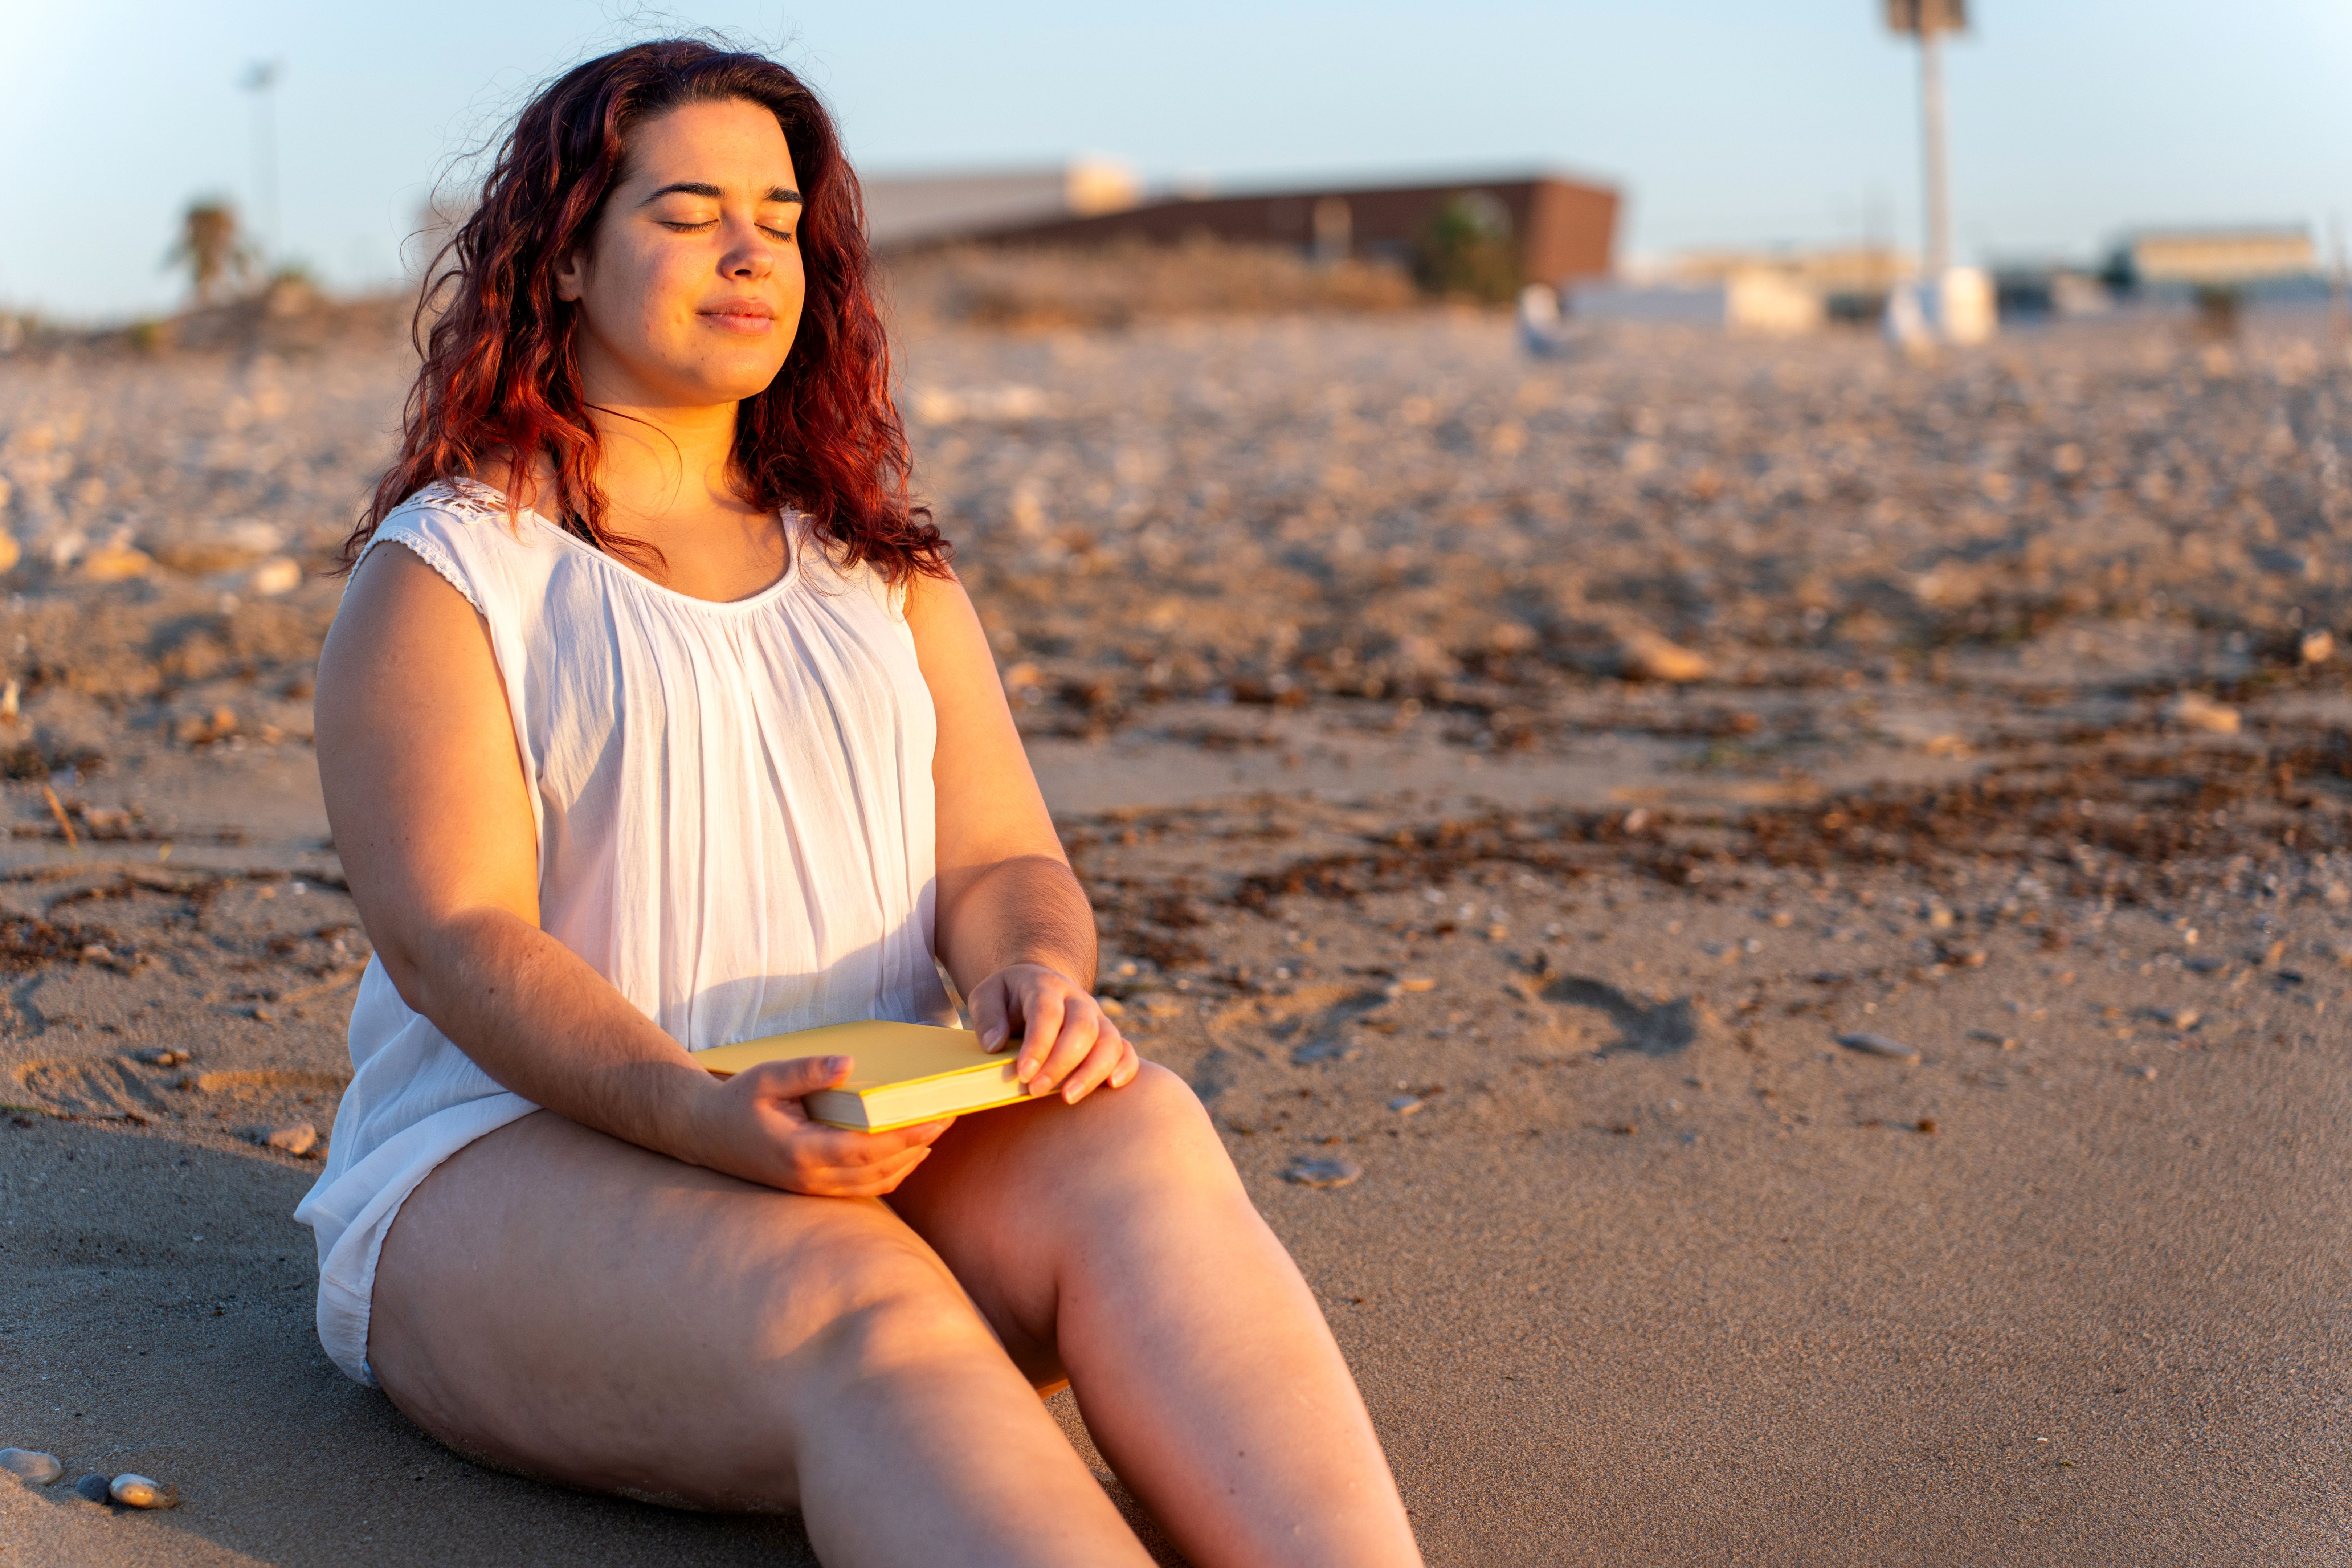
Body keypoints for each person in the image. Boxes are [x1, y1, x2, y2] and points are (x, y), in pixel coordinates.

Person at [293, 38, 1423, 1568]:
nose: (751, 246)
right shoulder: (452, 576)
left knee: (1142, 1131)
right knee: (862, 1304)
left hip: (862, 1130)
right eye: (687, 210)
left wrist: (1038, 970)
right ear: (561, 260)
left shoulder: (878, 572)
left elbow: (1007, 860)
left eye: (779, 212)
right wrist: (698, 1115)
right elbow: (456, 938)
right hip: (519, 1162)